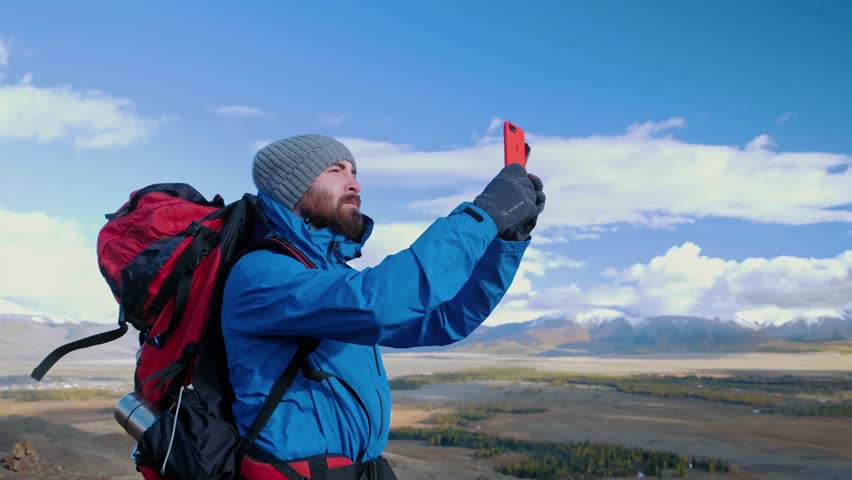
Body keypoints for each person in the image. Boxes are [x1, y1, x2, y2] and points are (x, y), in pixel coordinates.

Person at [221, 134, 546, 479]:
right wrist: (483, 216)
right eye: (336, 171)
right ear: (291, 187)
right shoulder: (262, 274)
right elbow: (381, 303)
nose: (355, 184)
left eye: (354, 172)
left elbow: (444, 319)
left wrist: (506, 242)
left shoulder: (330, 276)